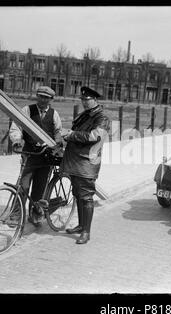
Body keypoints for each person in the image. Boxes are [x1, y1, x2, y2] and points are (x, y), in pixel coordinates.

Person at [62, 86, 110, 244]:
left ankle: (86, 232)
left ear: (95, 99)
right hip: (76, 160)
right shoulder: (86, 115)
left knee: (86, 196)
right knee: (77, 194)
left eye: (86, 99)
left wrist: (71, 135)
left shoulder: (102, 117)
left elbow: (94, 136)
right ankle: (81, 225)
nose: (84, 102)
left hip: (87, 162)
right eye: (82, 99)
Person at [9, 86, 63, 226]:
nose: (43, 99)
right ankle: (15, 215)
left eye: (46, 97)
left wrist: (57, 141)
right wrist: (16, 140)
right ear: (37, 96)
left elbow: (57, 131)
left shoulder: (54, 114)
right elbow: (17, 127)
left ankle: (35, 216)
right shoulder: (27, 110)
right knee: (23, 186)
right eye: (41, 96)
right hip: (30, 155)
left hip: (46, 158)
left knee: (39, 190)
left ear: (51, 99)